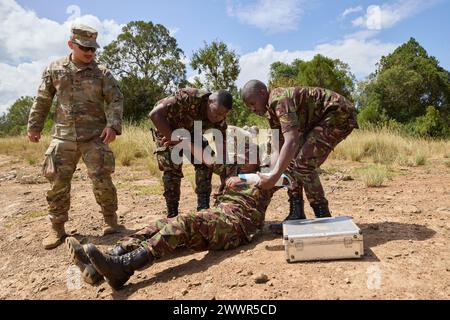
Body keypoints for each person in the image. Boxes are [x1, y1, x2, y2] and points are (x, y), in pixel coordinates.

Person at [65, 142, 279, 290]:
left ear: (259, 158)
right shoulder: (231, 170)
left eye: (249, 154)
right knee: (162, 224)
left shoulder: (267, 178)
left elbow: (287, 177)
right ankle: (102, 264)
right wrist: (185, 141)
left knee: (183, 222)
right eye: (240, 153)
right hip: (216, 218)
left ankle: (123, 267)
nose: (243, 157)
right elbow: (206, 157)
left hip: (236, 226)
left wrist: (246, 177)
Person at [27, 24, 124, 249]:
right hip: (63, 137)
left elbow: (116, 99)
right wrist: (34, 126)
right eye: (84, 48)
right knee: (57, 184)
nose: (90, 53)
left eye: (93, 49)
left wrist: (113, 126)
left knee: (103, 181)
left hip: (95, 137)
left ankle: (111, 222)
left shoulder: (102, 73)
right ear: (71, 45)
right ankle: (57, 229)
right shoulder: (55, 69)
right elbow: (42, 99)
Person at [241, 80, 358, 229]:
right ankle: (297, 213)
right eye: (249, 106)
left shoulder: (279, 100)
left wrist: (275, 176)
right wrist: (273, 171)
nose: (252, 109)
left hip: (337, 113)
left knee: (303, 164)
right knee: (290, 164)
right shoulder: (272, 112)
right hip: (319, 120)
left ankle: (322, 215)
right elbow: (281, 146)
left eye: (252, 103)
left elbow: (292, 141)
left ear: (262, 93)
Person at [149, 88, 232, 218]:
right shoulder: (190, 97)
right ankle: (172, 214)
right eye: (216, 113)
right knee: (172, 166)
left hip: (192, 132)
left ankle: (203, 209)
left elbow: (222, 156)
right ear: (209, 102)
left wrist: (225, 180)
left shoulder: (220, 120)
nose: (218, 118)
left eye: (223, 115)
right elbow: (155, 114)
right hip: (167, 128)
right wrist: (173, 138)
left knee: (206, 160)